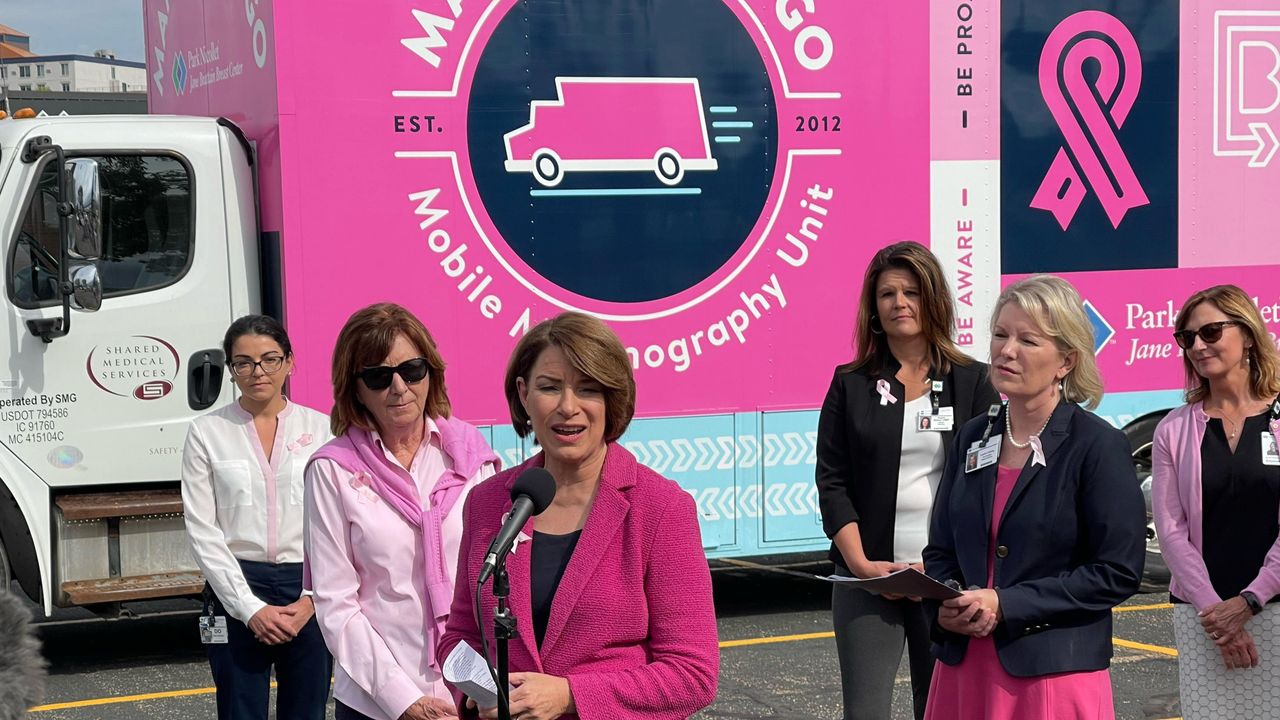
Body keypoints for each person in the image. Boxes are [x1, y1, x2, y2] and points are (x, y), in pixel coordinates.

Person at [438, 311, 718, 720]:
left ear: (612, 399)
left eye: (587, 389)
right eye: (549, 388)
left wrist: (570, 696)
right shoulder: (486, 502)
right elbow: (460, 637)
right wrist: (480, 695)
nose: (568, 407)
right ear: (523, 394)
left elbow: (694, 675)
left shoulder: (661, 508)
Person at [923, 275, 1145, 719]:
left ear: (1066, 361)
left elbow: (1116, 572)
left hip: (1051, 676)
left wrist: (1007, 604)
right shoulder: (972, 436)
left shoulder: (1096, 446)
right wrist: (947, 600)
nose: (1007, 350)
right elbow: (941, 548)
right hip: (966, 666)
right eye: (1001, 334)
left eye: (1028, 340)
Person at [815, 241, 999, 720]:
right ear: (873, 310)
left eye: (912, 292)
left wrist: (933, 567)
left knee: (938, 709)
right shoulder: (849, 383)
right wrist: (862, 566)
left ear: (932, 299)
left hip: (945, 579)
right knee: (866, 712)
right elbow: (832, 482)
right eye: (887, 294)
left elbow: (984, 485)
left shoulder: (972, 381)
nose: (899, 303)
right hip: (865, 577)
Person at [305, 303, 499, 720]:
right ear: (354, 388)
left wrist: (490, 688)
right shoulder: (331, 470)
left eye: (412, 370)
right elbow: (336, 602)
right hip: (377, 703)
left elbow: (494, 582)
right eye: (377, 376)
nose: (399, 387)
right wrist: (402, 699)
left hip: (475, 694)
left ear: (431, 372)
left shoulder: (472, 457)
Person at [181, 314, 334, 720]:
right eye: (243, 363)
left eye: (269, 359)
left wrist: (312, 600)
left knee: (307, 711)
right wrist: (248, 608)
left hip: (308, 587)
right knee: (239, 710)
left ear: (289, 361)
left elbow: (337, 527)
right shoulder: (206, 432)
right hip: (234, 586)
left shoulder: (323, 430)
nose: (257, 372)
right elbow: (202, 529)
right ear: (231, 370)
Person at [1152, 285, 1280, 719]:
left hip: (1275, 608)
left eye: (1210, 332)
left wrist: (1249, 602)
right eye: (1187, 338)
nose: (1198, 346)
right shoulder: (1173, 429)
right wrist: (1215, 614)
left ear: (1247, 335)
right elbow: (1171, 532)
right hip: (1202, 617)